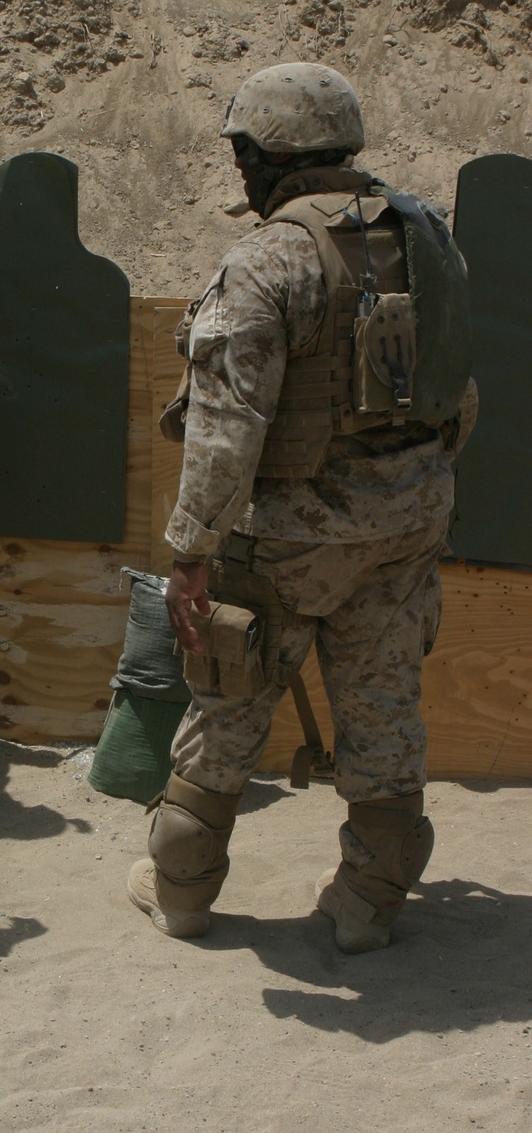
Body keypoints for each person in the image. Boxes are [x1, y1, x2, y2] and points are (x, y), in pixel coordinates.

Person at [127, 63, 474, 953]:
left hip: (285, 535)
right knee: (384, 708)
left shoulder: (267, 259)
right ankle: (368, 906)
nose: (239, 169)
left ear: (270, 156)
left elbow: (226, 425)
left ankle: (183, 891)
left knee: (228, 702)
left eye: (243, 152)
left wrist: (191, 554)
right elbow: (457, 391)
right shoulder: (427, 232)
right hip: (409, 521)